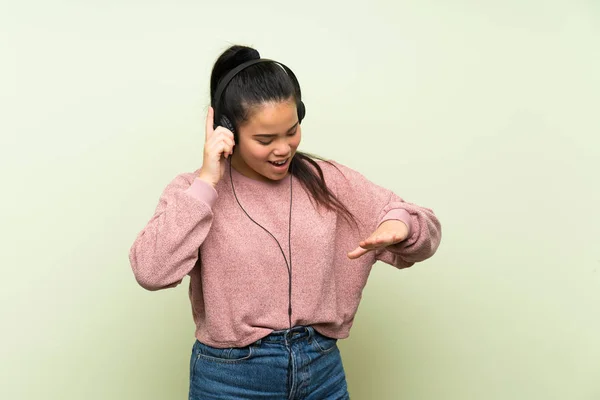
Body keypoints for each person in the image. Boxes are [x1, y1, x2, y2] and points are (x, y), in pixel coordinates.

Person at [129, 44, 442, 400]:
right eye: (265, 139)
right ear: (226, 131)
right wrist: (207, 182)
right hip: (230, 380)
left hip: (321, 371)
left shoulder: (328, 180)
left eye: (291, 131)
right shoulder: (194, 190)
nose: (283, 149)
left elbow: (422, 223)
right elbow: (150, 271)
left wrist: (402, 227)